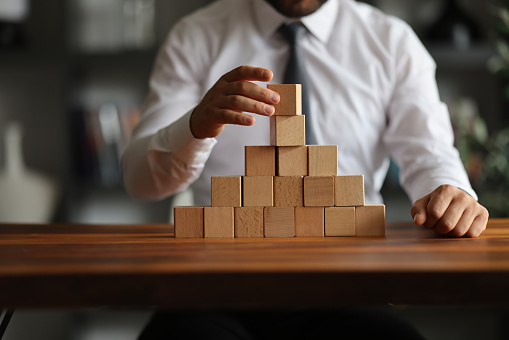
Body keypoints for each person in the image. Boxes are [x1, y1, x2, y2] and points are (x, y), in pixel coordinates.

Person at [122, 0, 488, 338]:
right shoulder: (195, 35)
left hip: (349, 285)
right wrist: (193, 127)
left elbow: (428, 150)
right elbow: (140, 181)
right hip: (214, 286)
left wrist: (449, 191)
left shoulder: (390, 40)